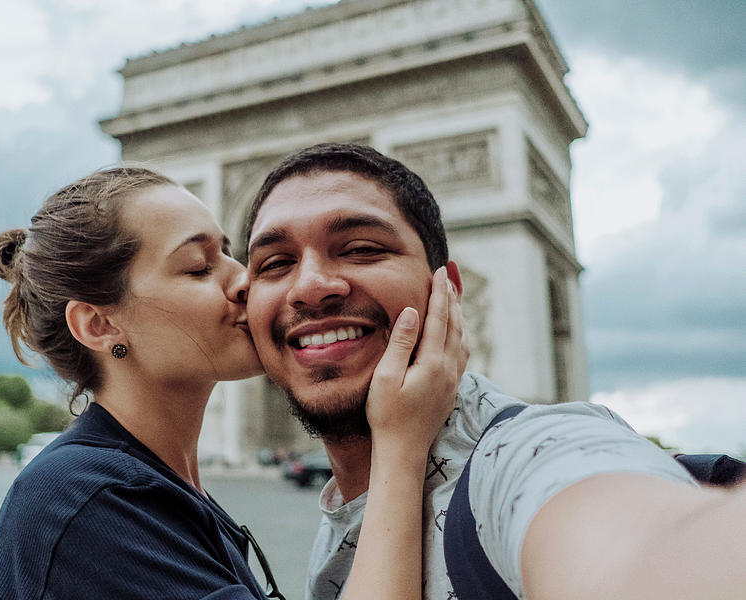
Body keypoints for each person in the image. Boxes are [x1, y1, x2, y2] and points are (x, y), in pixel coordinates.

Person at [243, 143, 746, 600]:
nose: (311, 285)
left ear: (449, 289)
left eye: (361, 249)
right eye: (275, 262)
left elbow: (643, 546)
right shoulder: (346, 496)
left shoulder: (528, 455)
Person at [0, 166, 467, 600]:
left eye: (232, 255)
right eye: (198, 267)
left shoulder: (151, 487)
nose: (246, 282)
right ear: (99, 325)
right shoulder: (86, 502)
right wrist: (401, 447)